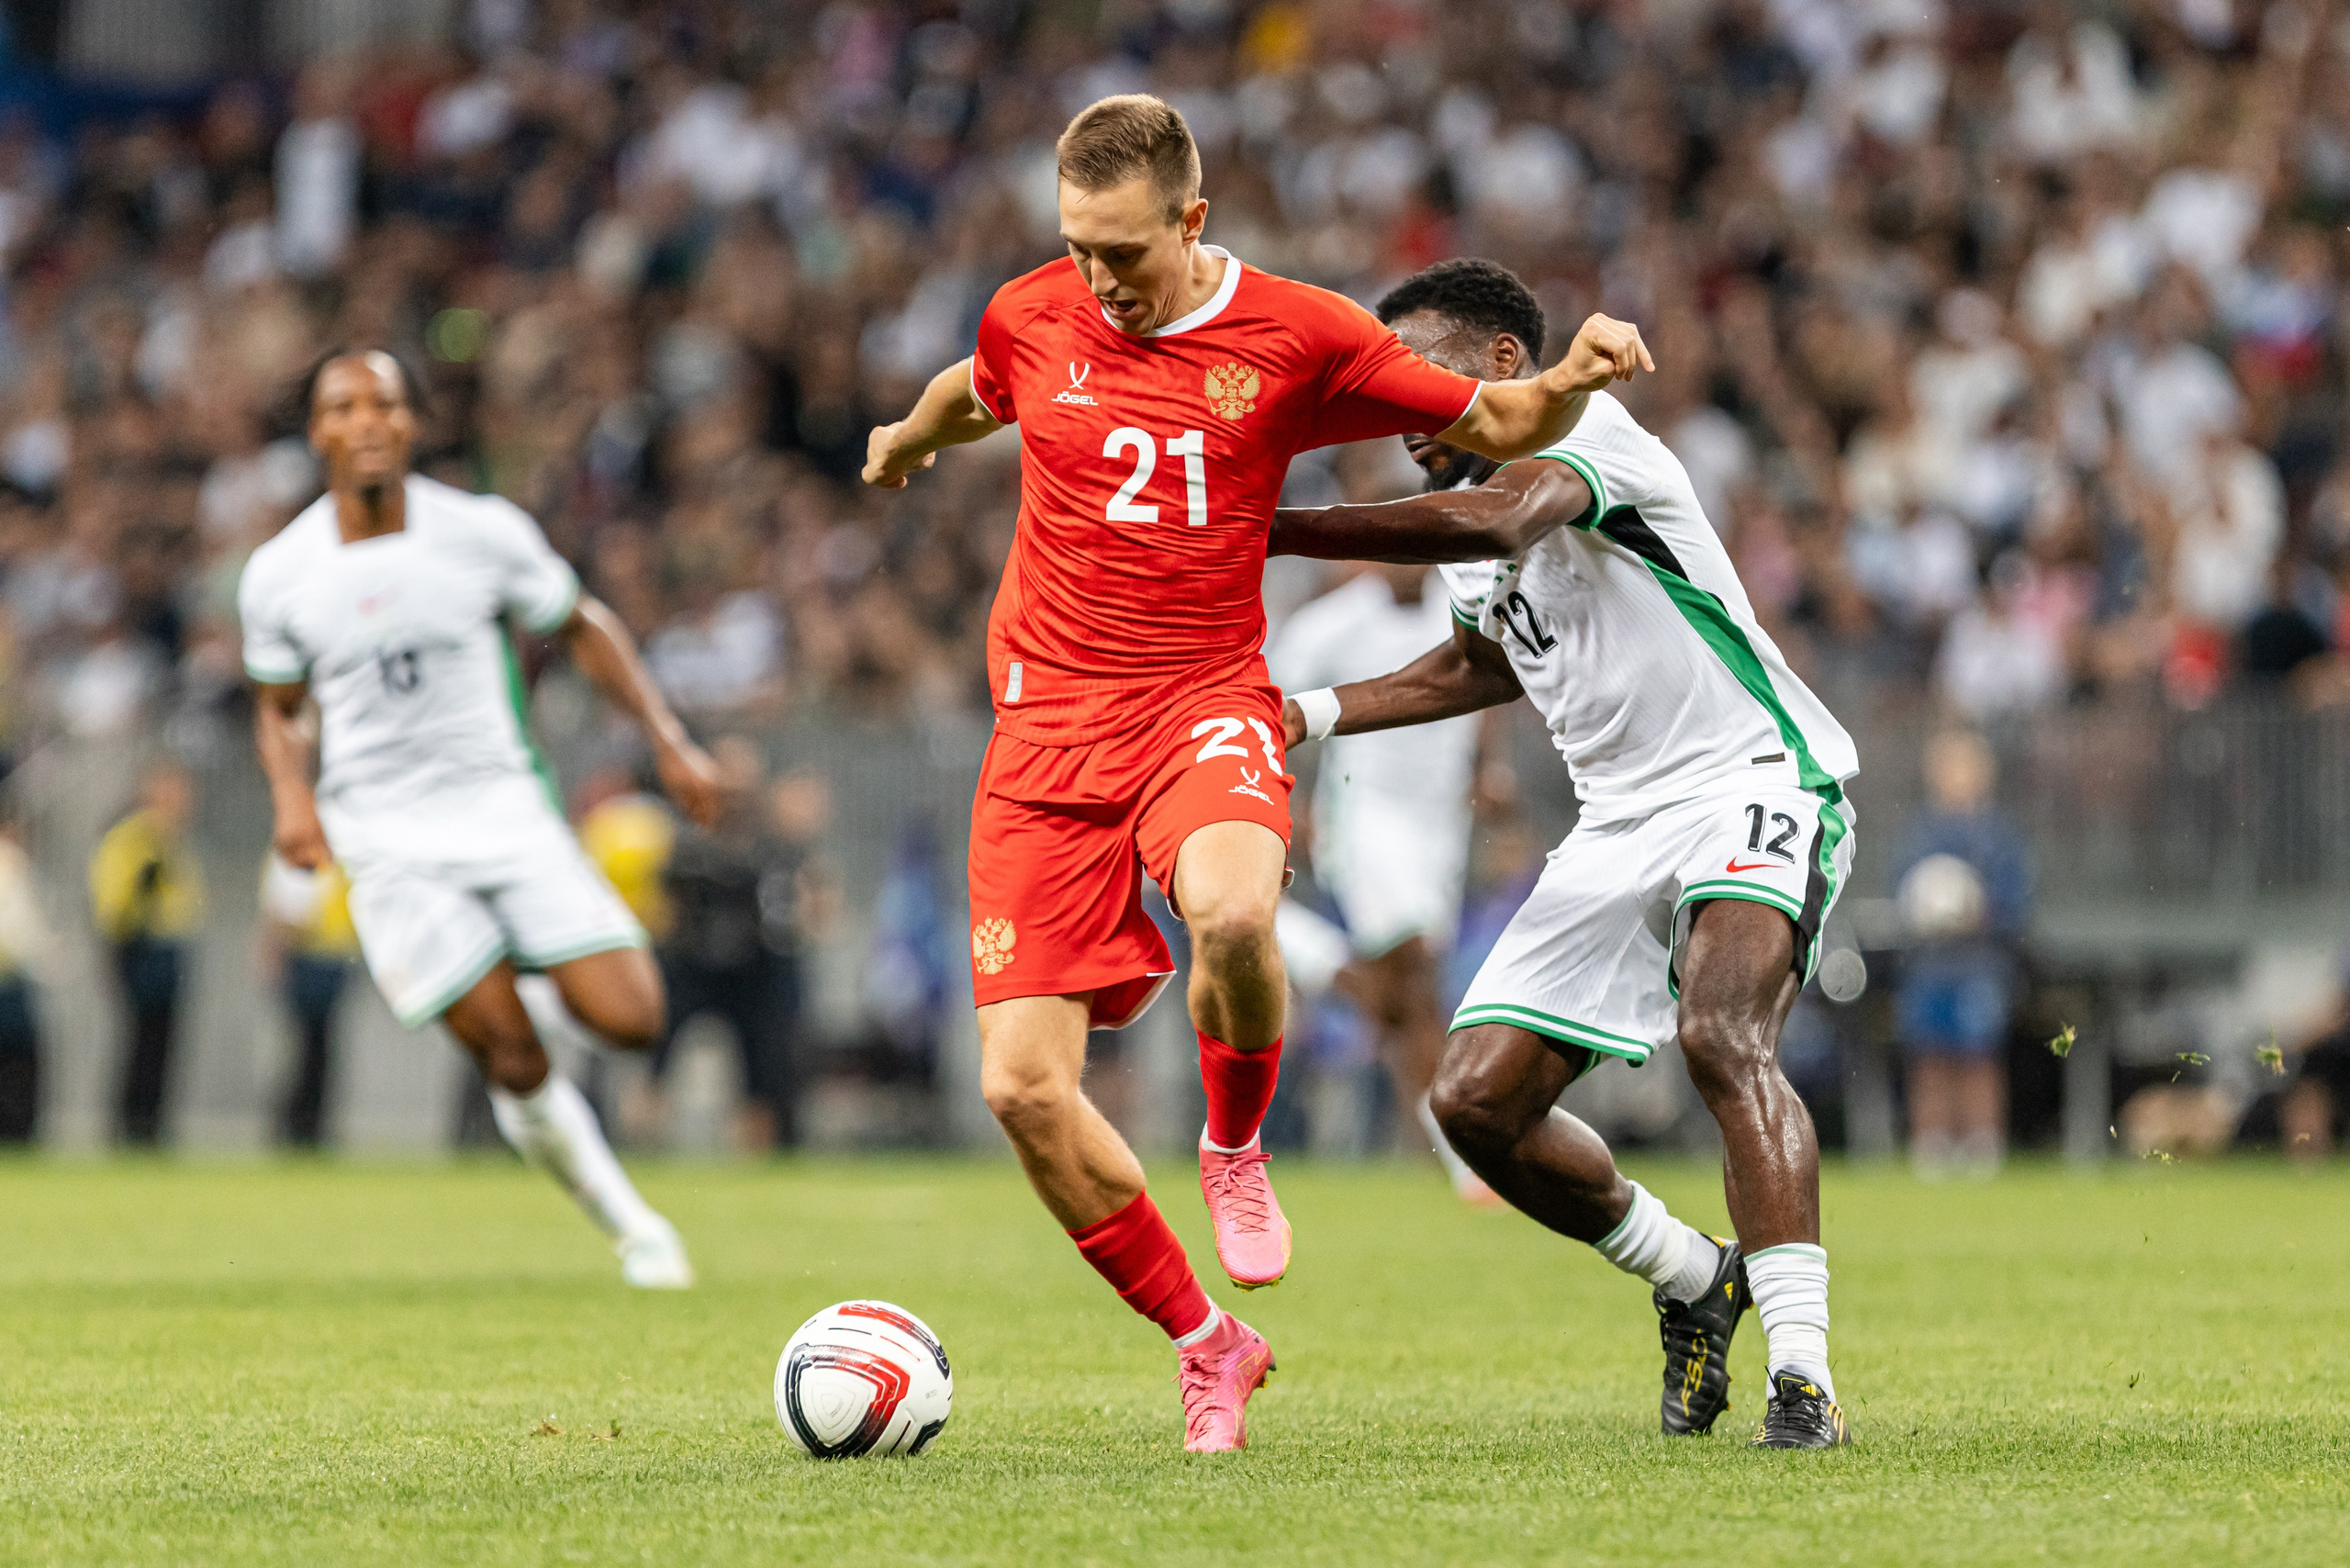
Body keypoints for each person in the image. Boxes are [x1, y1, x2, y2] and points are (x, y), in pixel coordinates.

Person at [860, 95, 1651, 1451]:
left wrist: (1574, 376)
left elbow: (1501, 419)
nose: (1099, 278)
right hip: (1044, 730)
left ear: (1193, 218)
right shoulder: (1032, 312)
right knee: (1021, 1090)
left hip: (1201, 702)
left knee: (1234, 912)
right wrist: (910, 441)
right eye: (1078, 246)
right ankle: (1205, 1341)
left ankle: (1234, 1143)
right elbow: (970, 390)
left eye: (1124, 250)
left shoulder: (1300, 334)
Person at [1270, 258, 1858, 1449]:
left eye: (1415, 371)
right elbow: (1477, 668)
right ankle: (1694, 1274)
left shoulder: (1587, 430)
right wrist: (1305, 714)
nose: (1399, 408)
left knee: (1721, 1032)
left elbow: (1494, 518)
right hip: (1616, 822)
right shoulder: (1482, 535)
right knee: (1473, 1103)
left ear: (1500, 365)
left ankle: (1805, 1379)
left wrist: (1263, 523)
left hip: (1753, 772)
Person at [240, 347, 722, 1288]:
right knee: (512, 1050)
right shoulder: (280, 573)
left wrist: (669, 740)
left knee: (631, 1017)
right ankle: (634, 1227)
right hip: (386, 841)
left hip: (505, 811)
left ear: (413, 424)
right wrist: (293, 800)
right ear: (318, 433)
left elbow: (581, 623)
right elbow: (276, 702)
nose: (368, 418)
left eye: (386, 400)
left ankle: (524, 971)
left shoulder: (481, 531)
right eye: (345, 405)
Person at [1267, 562, 1485, 1199]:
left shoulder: (1462, 602)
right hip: (1364, 816)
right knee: (1414, 973)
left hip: (1440, 824)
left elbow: (1493, 680)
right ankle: (1463, 1158)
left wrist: (1487, 766)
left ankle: (1298, 946)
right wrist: (1289, 799)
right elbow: (1270, 703)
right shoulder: (1337, 620)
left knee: (1396, 997)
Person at [653, 737, 825, 1151]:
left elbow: (811, 898)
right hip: (691, 959)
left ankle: (757, 1153)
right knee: (654, 1053)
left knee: (764, 1069)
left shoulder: (776, 840)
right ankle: (642, 1148)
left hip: (756, 965)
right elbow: (665, 904)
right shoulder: (686, 838)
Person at [1890, 730, 2031, 1177]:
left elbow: (2017, 898)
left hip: (1978, 965)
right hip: (1928, 967)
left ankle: (1981, 1142)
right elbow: (1900, 888)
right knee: (1930, 1057)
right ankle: (1931, 1142)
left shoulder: (1998, 837)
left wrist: (1981, 910)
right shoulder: (1920, 835)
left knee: (1978, 1056)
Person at [89, 760, 205, 1147]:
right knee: (142, 1039)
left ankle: (150, 1123)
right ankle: (131, 1124)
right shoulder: (133, 837)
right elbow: (113, 902)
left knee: (162, 1042)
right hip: (141, 946)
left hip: (169, 947)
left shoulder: (168, 838)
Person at [259, 851, 361, 1148]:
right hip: (306, 958)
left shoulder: (334, 848)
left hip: (333, 957)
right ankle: (296, 1127)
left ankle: (310, 1126)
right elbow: (285, 913)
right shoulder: (300, 849)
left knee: (320, 1050)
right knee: (307, 1049)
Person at [0, 808, 51, 1143]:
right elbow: (17, 930)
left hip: (13, 981)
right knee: (20, 1059)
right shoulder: (9, 864)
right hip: (8, 982)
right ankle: (17, 1131)